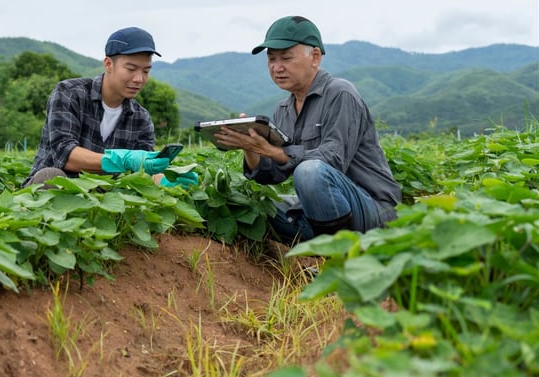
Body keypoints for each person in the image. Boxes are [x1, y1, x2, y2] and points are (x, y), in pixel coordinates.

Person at [212, 16, 401, 242]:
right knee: (252, 205)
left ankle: (336, 260)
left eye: (286, 58)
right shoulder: (284, 109)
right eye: (271, 59)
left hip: (373, 211)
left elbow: (333, 159)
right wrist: (250, 146)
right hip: (325, 212)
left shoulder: (341, 94)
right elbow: (272, 174)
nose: (277, 67)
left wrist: (273, 151)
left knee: (309, 172)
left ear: (315, 58)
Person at [22, 26, 198, 189]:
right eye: (131, 69)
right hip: (55, 190)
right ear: (108, 64)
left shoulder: (140, 118)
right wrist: (123, 159)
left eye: (145, 71)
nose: (139, 79)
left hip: (102, 197)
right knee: (51, 176)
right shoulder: (70, 93)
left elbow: (143, 171)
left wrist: (166, 182)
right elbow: (65, 155)